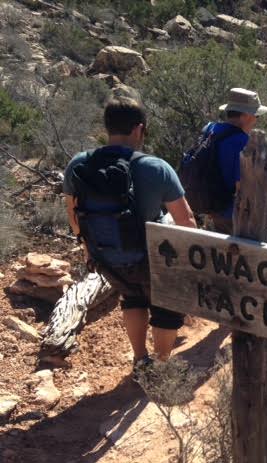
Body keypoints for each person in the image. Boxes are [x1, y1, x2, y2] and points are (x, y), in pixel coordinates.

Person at [63, 97, 197, 376]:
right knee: (167, 310)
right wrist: (189, 260)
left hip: (106, 256)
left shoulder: (79, 164)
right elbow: (186, 219)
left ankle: (139, 359)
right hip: (148, 257)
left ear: (107, 128)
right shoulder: (155, 167)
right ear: (138, 129)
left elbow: (73, 215)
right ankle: (160, 368)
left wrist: (89, 250)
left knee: (131, 298)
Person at [201, 88, 267, 234]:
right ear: (245, 116)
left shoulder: (210, 130)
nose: (257, 119)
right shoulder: (242, 142)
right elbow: (242, 185)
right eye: (255, 115)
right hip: (232, 215)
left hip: (211, 208)